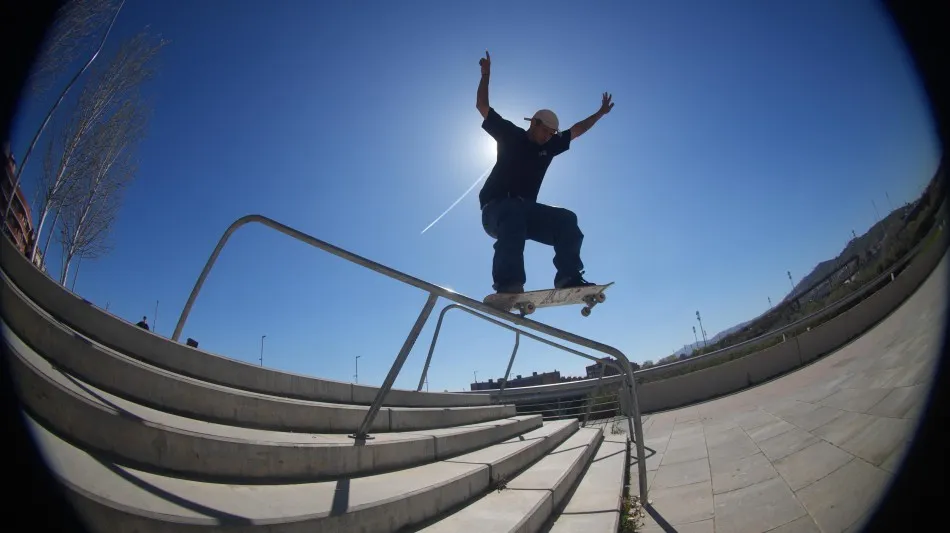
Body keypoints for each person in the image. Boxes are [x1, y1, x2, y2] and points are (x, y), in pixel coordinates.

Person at [475, 50, 613, 294]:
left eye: (552, 134)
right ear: (534, 123)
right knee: (513, 208)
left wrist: (600, 114)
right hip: (495, 212)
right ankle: (508, 283)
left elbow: (577, 130)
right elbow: (482, 106)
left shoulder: (550, 146)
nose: (549, 138)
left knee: (567, 220)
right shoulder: (511, 135)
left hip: (524, 217)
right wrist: (486, 74)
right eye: (546, 132)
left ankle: (568, 277)